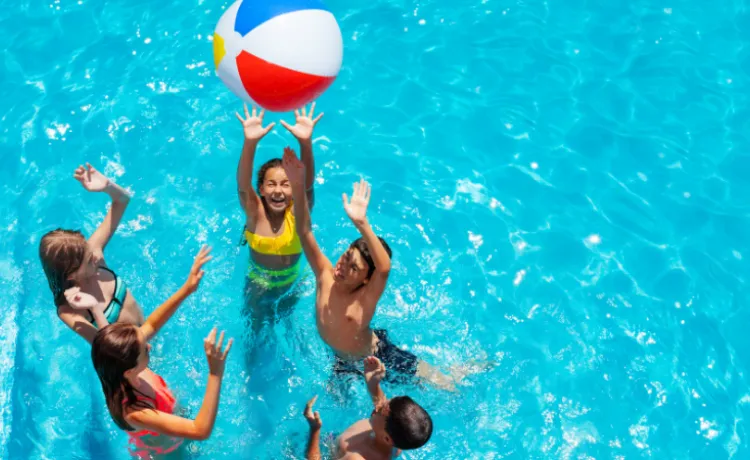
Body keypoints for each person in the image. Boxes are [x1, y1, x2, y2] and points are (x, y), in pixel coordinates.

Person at [281, 147, 453, 387]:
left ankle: (461, 372)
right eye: (346, 256)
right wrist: (297, 187)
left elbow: (383, 268)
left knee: (440, 383)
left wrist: (362, 223)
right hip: (340, 360)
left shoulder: (363, 299)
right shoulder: (325, 275)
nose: (342, 266)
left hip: (377, 357)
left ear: (365, 280)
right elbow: (304, 231)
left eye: (353, 267)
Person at [91, 246, 233, 458]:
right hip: (169, 452)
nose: (149, 346)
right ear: (128, 371)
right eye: (144, 351)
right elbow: (200, 431)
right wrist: (215, 372)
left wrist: (187, 288)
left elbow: (151, 325)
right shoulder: (136, 412)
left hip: (171, 418)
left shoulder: (118, 364)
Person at [235, 103, 323, 332]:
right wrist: (250, 142)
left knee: (287, 329)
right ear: (262, 189)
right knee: (254, 331)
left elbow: (307, 185)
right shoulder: (255, 213)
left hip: (292, 284)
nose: (278, 190)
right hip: (258, 284)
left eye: (286, 184)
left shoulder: (297, 213)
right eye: (271, 184)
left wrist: (305, 142)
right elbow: (243, 185)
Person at [39, 163, 145, 344]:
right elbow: (108, 349)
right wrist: (95, 308)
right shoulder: (69, 311)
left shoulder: (92, 252)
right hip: (131, 363)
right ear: (72, 274)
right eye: (88, 260)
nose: (96, 256)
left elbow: (123, 201)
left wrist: (108, 187)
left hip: (148, 333)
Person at [303, 356, 433, 459]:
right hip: (334, 441)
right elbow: (383, 407)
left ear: (387, 438)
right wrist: (373, 384)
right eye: (385, 402)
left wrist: (315, 430)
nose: (377, 406)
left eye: (379, 411)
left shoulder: (356, 457)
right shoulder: (395, 439)